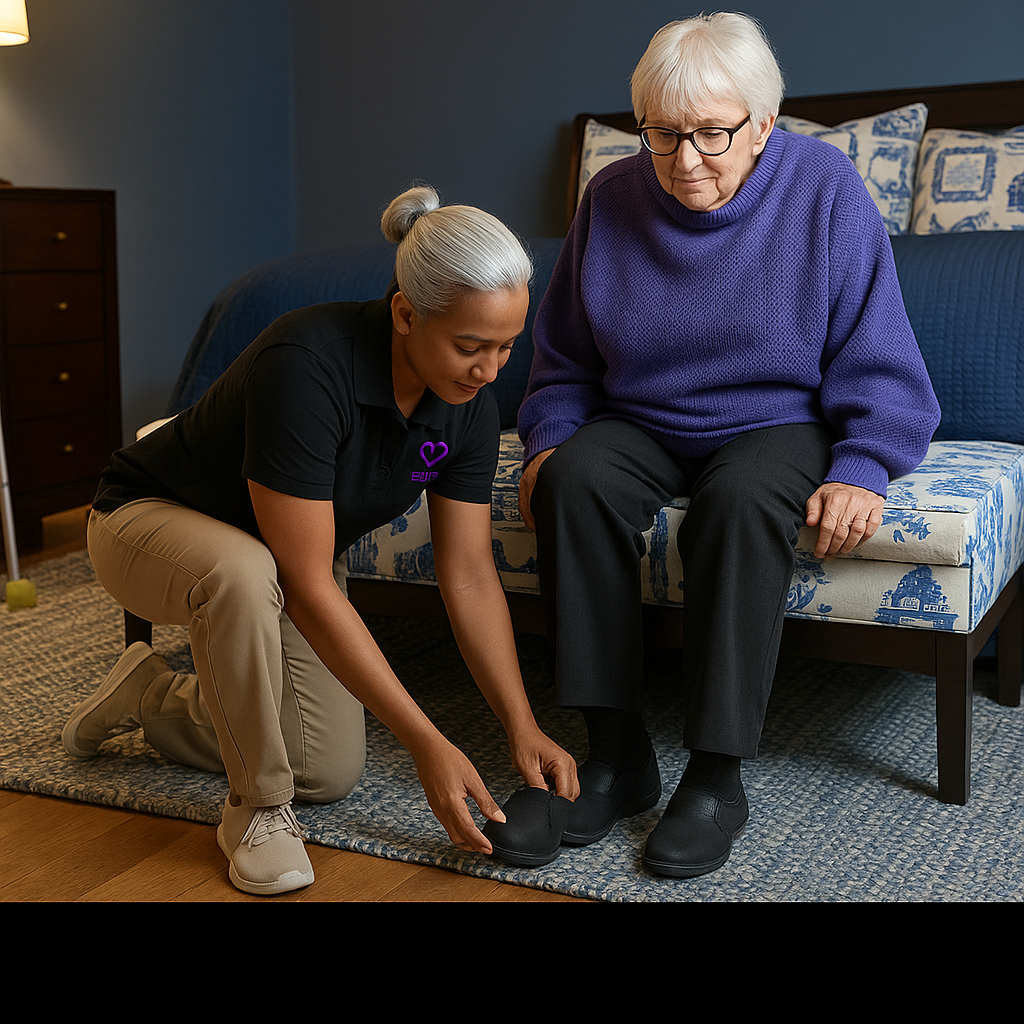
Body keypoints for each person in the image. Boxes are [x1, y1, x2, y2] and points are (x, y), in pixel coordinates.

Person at [516, 12, 940, 878]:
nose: (685, 160)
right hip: (643, 415)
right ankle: (616, 754)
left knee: (741, 503)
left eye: (712, 132)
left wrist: (864, 465)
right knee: (575, 483)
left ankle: (714, 777)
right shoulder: (611, 196)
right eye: (664, 135)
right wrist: (550, 441)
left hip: (776, 419)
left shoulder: (824, 187)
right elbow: (561, 356)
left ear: (763, 125)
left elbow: (883, 357)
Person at [63, 185, 578, 895]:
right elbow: (304, 580)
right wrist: (428, 742)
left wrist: (521, 725)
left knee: (326, 768)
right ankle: (256, 812)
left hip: (280, 555)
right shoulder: (306, 361)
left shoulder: (469, 408)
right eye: (470, 346)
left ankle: (150, 696)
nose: (491, 371)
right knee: (242, 573)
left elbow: (468, 576)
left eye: (507, 347)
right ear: (405, 313)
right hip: (145, 521)